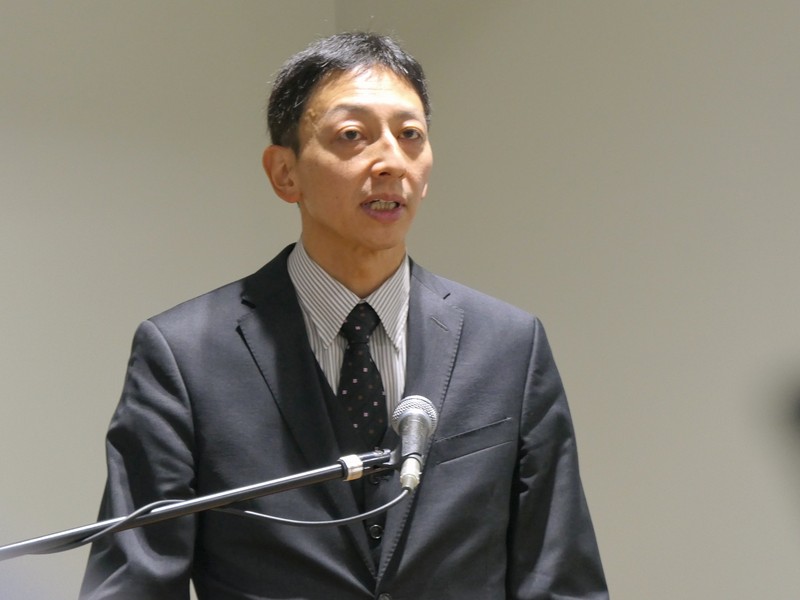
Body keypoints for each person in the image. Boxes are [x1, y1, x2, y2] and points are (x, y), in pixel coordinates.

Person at [80, 32, 608, 599]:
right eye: (352, 135)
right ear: (285, 173)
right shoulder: (185, 356)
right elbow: (133, 583)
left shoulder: (508, 346)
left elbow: (561, 580)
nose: (391, 161)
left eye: (410, 135)